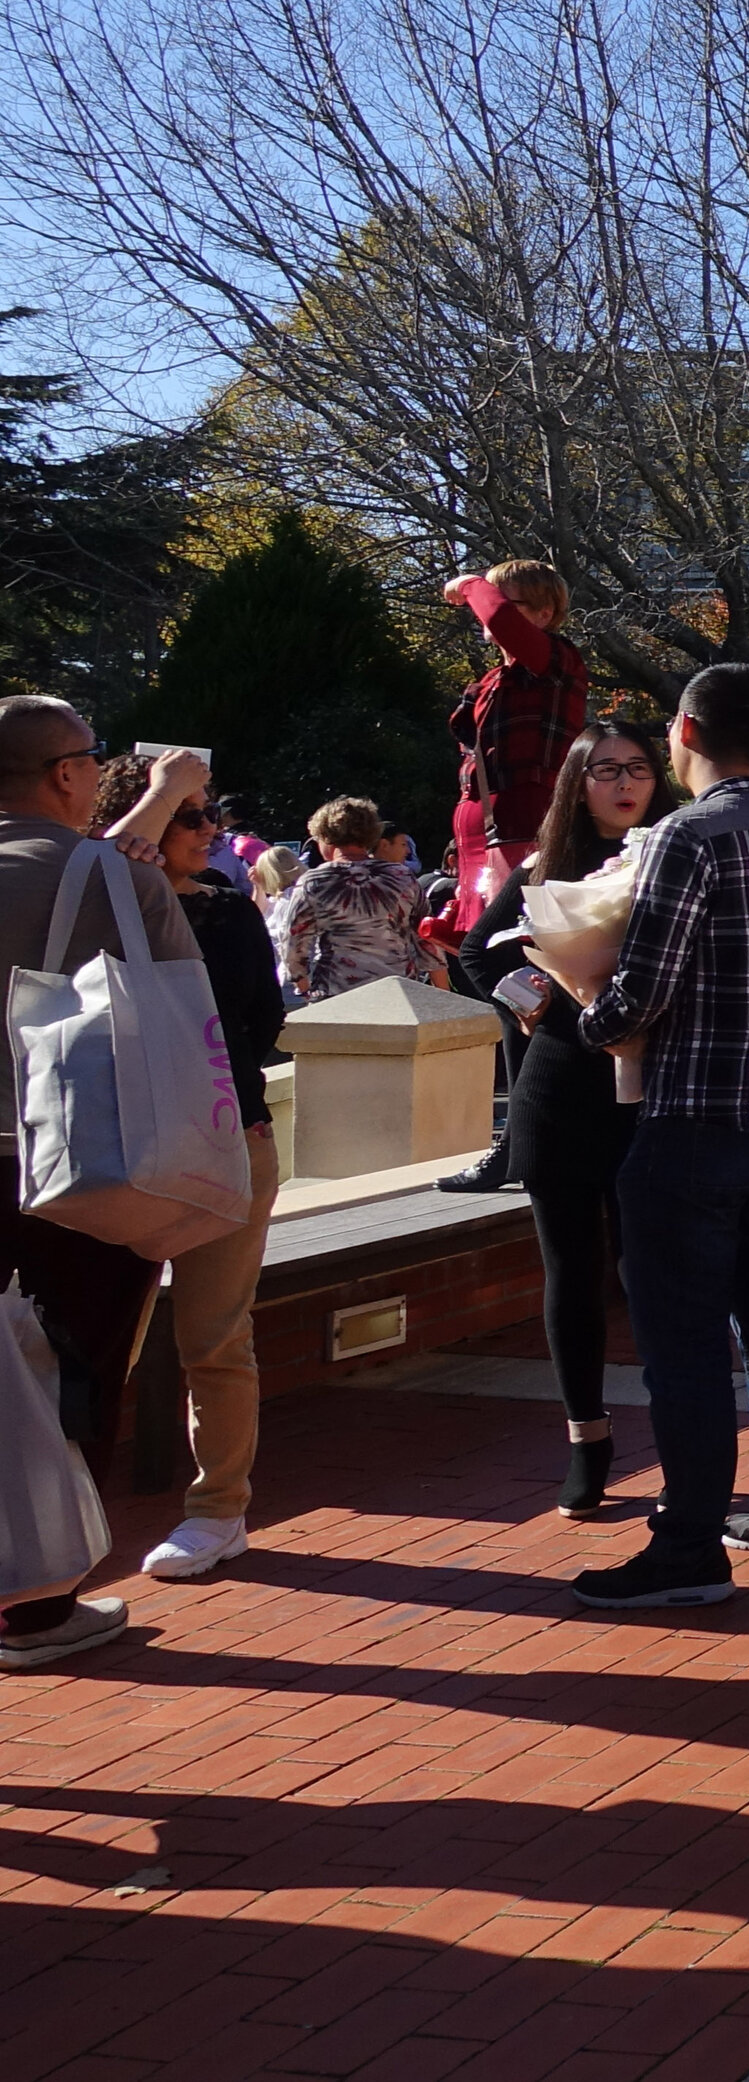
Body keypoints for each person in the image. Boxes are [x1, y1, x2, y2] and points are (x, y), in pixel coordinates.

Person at [560, 663, 749, 1610]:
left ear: (684, 729)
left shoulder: (690, 837)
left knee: (681, 1339)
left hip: (697, 1118)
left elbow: (642, 989)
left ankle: (688, 1541)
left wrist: (576, 1011)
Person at [0, 706, 207, 1668]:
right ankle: (38, 1602)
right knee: (74, 1372)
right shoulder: (114, 881)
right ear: (64, 777)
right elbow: (186, 1009)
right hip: (73, 1162)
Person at [80, 753, 287, 1582]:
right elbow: (101, 863)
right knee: (94, 1338)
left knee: (215, 1336)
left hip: (227, 1136)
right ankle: (68, 1512)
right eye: (187, 814)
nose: (209, 829)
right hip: (114, 1142)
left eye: (209, 813)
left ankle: (219, 1510)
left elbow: (260, 1024)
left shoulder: (231, 915)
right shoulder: (97, 896)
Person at [468, 720, 659, 1518]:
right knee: (571, 1270)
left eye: (639, 769)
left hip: (647, 1088)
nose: (624, 783)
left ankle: (683, 1437)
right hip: (560, 1086)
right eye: (606, 770)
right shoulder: (543, 871)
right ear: (577, 783)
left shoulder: (671, 861)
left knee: (654, 1274)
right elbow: (482, 953)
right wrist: (533, 993)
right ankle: (587, 1437)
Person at [441, 560, 589, 936]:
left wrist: (472, 584)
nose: (486, 612)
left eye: (506, 602)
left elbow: (501, 620)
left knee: (518, 939)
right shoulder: (491, 680)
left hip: (525, 823)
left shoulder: (559, 660)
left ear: (544, 613)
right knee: (479, 944)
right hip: (481, 832)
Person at [273, 795, 425, 1001]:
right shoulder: (402, 876)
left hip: (337, 990)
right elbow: (425, 935)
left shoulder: (314, 881)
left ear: (326, 837)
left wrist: (301, 983)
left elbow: (294, 939)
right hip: (399, 988)